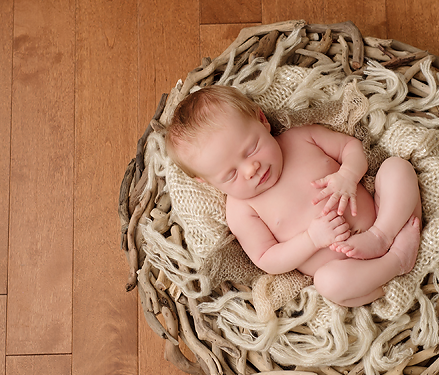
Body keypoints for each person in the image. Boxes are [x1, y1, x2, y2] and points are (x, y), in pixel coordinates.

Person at [166, 85, 422, 307]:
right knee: (328, 283)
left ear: (262, 120)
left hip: (384, 218)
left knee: (396, 168)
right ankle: (396, 262)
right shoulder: (241, 209)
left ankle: (382, 236)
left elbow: (350, 147)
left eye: (252, 149)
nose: (250, 169)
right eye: (230, 175)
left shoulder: (299, 138)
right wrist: (312, 239)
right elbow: (267, 259)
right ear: (208, 182)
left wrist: (348, 175)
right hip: (347, 267)